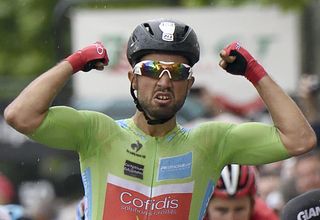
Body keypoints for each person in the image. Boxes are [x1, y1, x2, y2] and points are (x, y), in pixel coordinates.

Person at [4, 18, 316, 220]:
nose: (164, 81)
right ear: (133, 79)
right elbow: (20, 116)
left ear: (189, 84)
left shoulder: (211, 141)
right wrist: (74, 62)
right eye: (151, 70)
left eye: (177, 72)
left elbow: (300, 139)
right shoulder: (97, 132)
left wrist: (254, 71)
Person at [205, 164, 279, 220]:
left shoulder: (265, 217)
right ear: (205, 210)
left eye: (239, 209)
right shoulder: (194, 215)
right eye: (222, 210)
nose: (231, 218)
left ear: (252, 207)